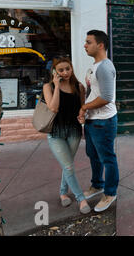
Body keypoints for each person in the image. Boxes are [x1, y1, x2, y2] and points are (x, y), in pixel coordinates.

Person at [42, 57, 91, 214]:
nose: (65, 72)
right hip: (56, 133)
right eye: (61, 70)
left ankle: (63, 192)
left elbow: (82, 109)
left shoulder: (79, 87)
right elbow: (53, 108)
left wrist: (82, 116)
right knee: (69, 166)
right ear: (55, 72)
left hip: (74, 131)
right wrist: (56, 86)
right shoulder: (48, 87)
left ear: (72, 69)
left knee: (67, 164)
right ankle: (81, 198)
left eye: (67, 69)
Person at [78, 30, 119, 213]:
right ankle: (97, 185)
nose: (85, 45)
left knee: (107, 158)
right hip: (92, 120)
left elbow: (107, 97)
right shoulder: (93, 67)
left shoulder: (105, 67)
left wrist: (85, 108)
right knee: (93, 156)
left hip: (104, 121)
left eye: (88, 42)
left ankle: (110, 193)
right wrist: (83, 110)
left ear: (100, 45)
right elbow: (91, 94)